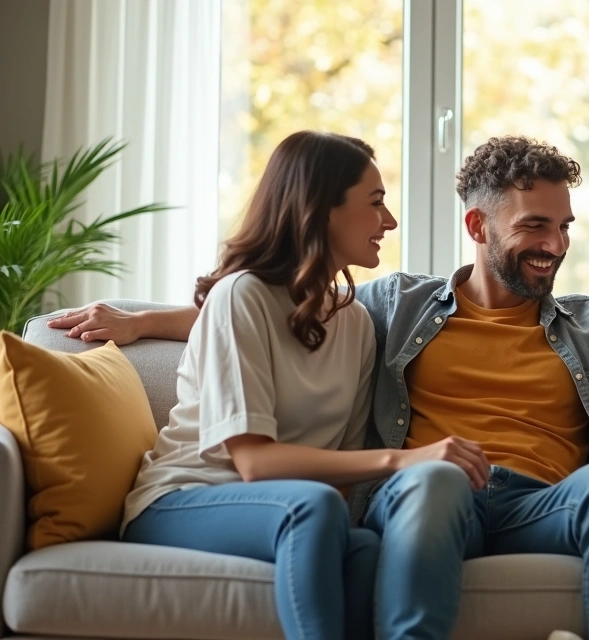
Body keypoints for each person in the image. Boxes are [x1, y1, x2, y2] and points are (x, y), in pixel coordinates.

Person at [53, 135, 589, 640]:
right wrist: (140, 321)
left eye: (565, 227)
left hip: (542, 501)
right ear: (479, 228)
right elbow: (277, 307)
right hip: (436, 490)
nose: (555, 245)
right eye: (535, 227)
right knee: (436, 473)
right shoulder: (391, 305)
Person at [121, 131, 407, 640]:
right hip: (182, 500)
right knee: (313, 508)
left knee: (364, 546)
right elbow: (254, 461)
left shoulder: (357, 324)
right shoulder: (241, 296)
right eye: (376, 203)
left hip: (291, 508)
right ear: (322, 210)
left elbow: (340, 472)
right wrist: (398, 459)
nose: (390, 221)